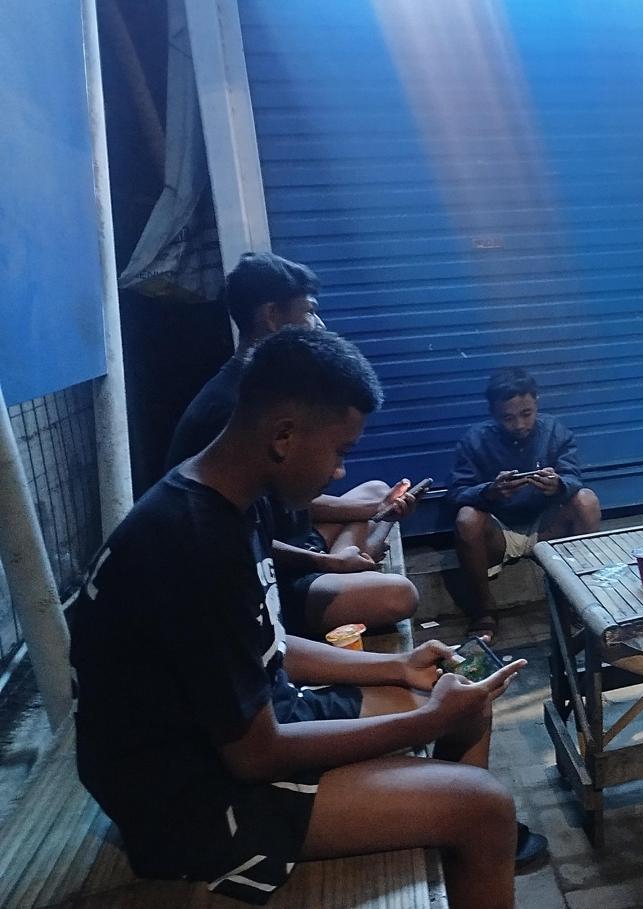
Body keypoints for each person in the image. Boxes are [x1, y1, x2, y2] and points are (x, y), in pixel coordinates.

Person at [71, 329, 543, 909]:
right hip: (187, 799)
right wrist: (425, 722)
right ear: (284, 435)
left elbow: (270, 645)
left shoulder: (229, 499)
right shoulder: (192, 542)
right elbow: (257, 754)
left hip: (251, 726)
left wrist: (400, 665)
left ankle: (434, 830)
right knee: (484, 806)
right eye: (340, 451)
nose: (341, 472)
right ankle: (447, 820)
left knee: (465, 708)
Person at [167, 252, 420, 638]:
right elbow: (245, 537)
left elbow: (290, 495)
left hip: (300, 541)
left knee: (374, 491)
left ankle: (352, 559)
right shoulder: (235, 413)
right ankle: (349, 564)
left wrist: (374, 509)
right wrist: (326, 563)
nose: (319, 325)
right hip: (275, 572)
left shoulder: (264, 394)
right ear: (271, 315)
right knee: (397, 595)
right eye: (309, 312)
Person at [446, 368, 600, 640]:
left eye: (526, 414)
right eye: (508, 418)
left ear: (537, 403)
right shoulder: (475, 440)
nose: (519, 424)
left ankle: (578, 600)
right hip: (499, 533)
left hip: (546, 528)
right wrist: (489, 492)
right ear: (494, 414)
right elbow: (457, 493)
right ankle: (484, 611)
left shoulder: (554, 430)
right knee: (466, 518)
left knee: (587, 500)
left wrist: (559, 485)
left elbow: (573, 477)